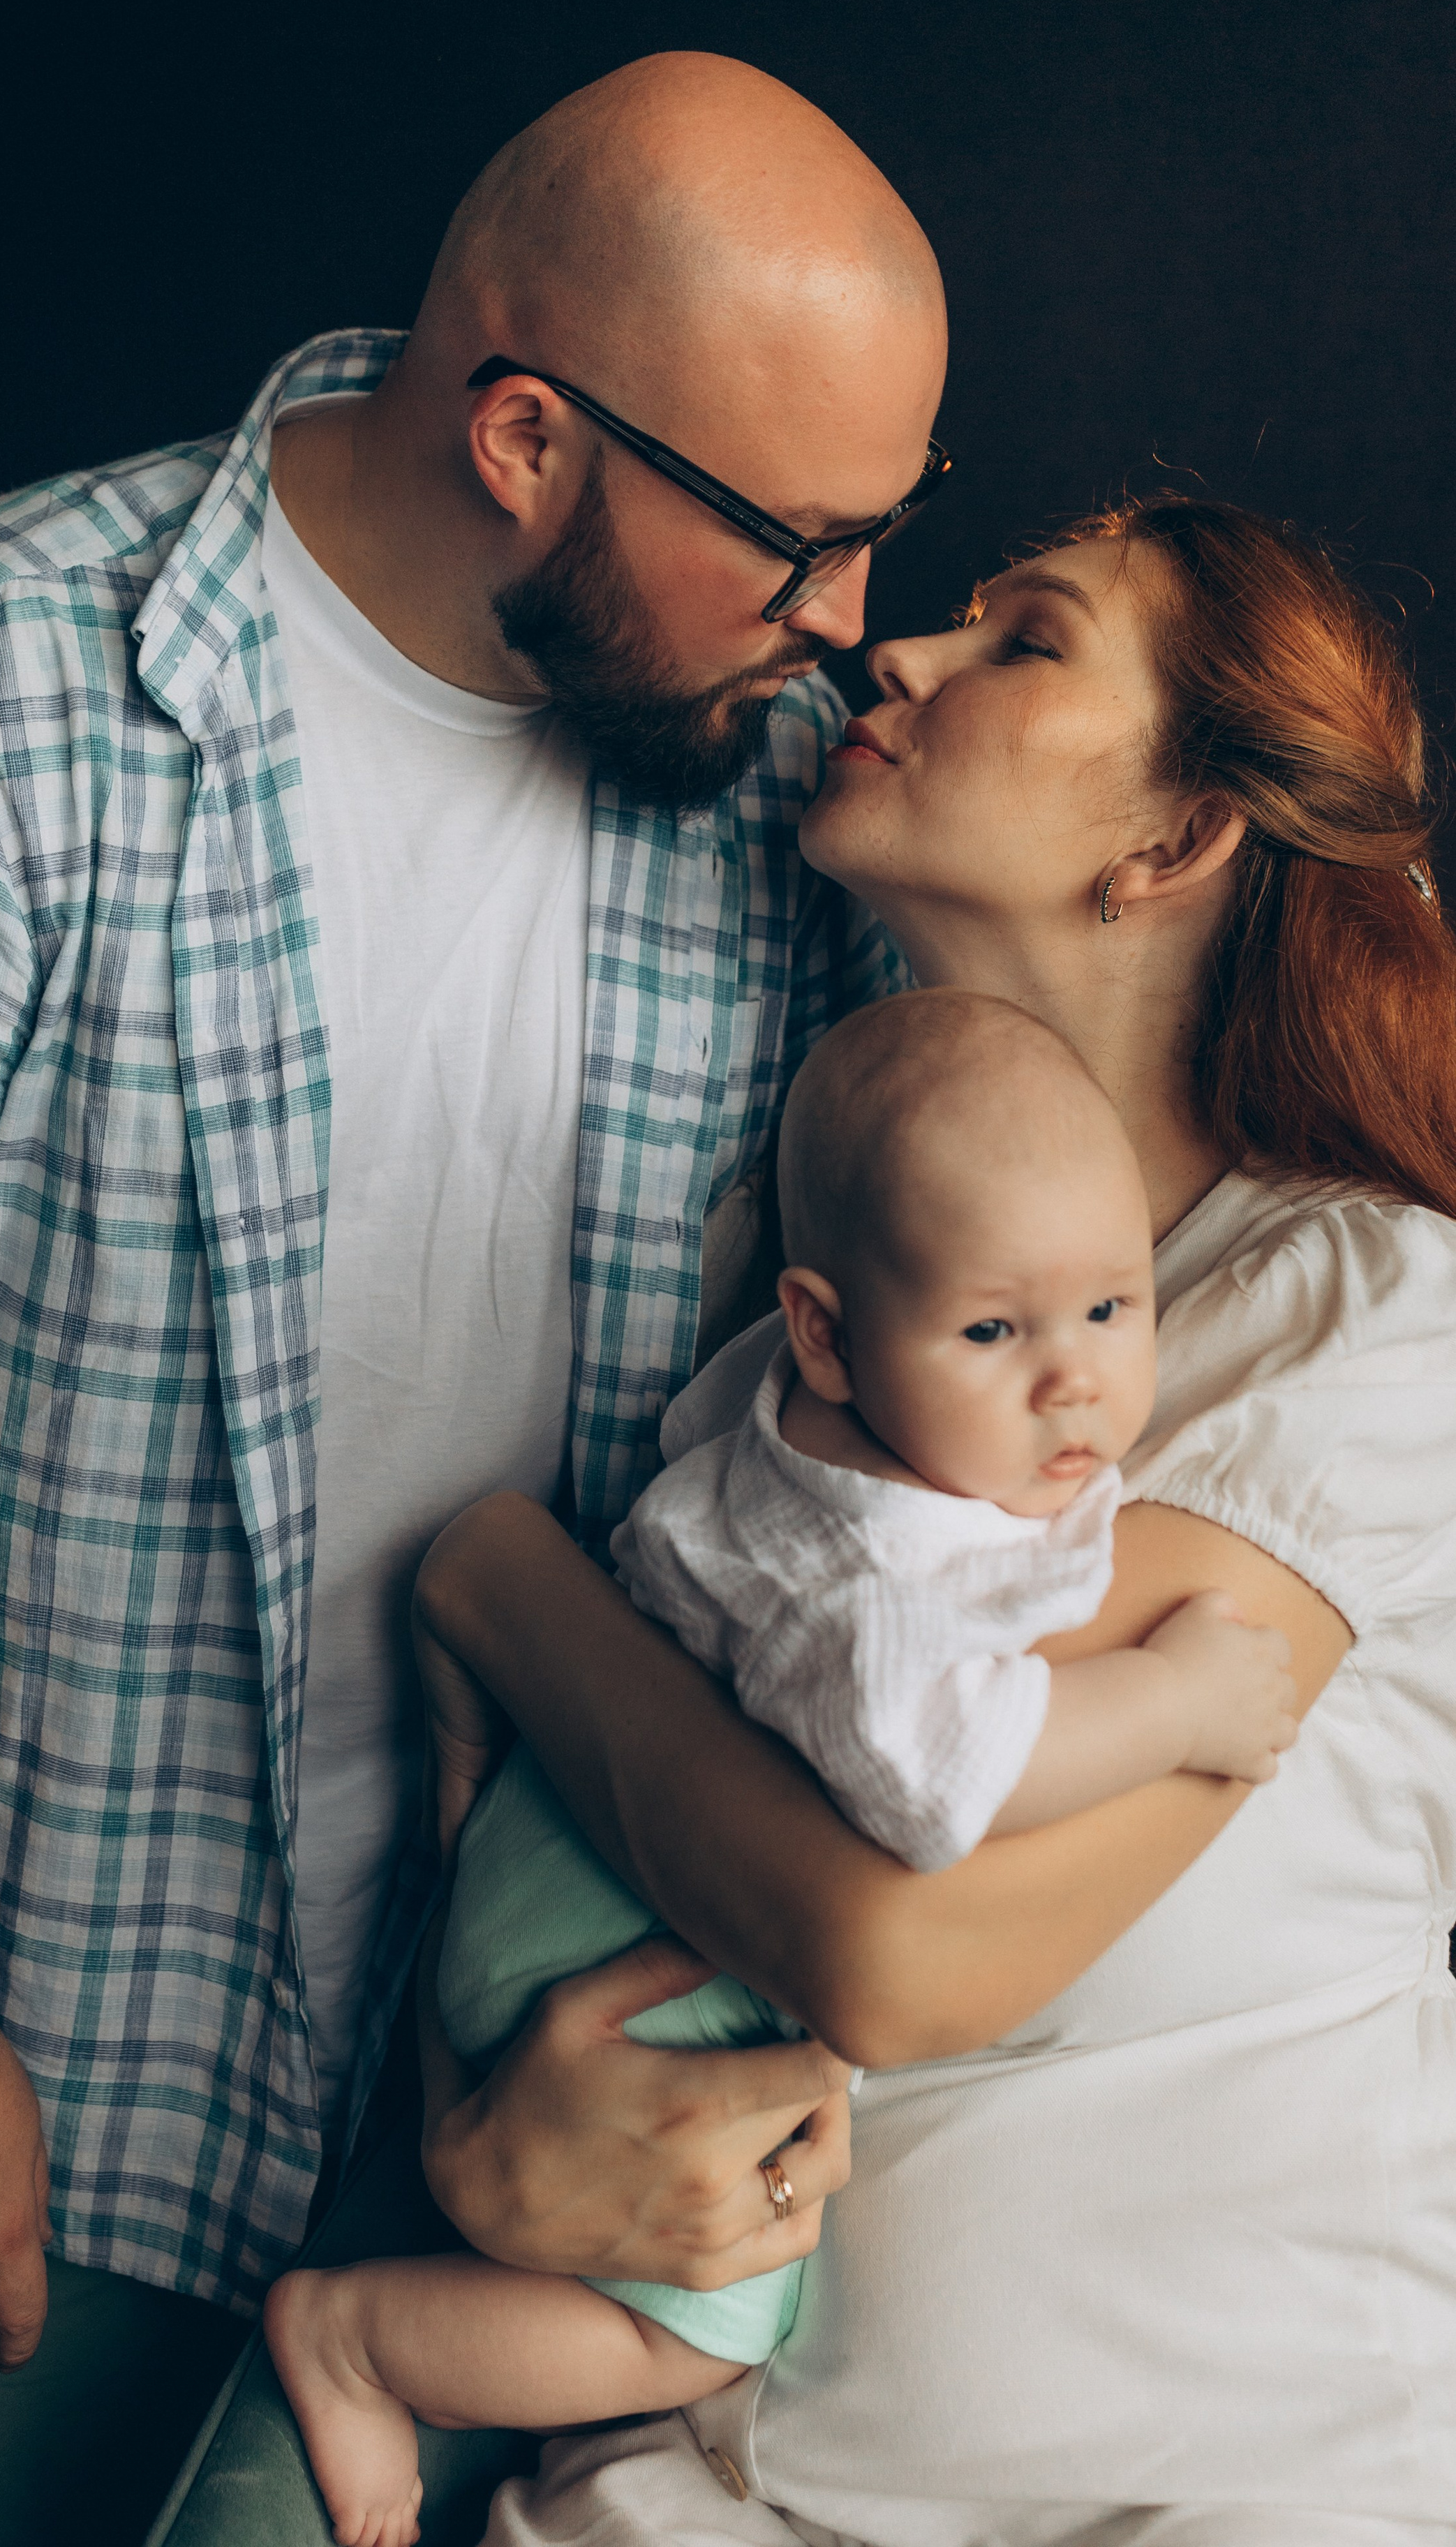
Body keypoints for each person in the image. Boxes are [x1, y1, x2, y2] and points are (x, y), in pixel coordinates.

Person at [0, 53, 949, 2545]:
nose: (848, 627)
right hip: (47, 2086)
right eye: (799, 542)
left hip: (561, 2124)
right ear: (522, 438)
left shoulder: (789, 789)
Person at [405, 498, 1456, 2547]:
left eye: (1023, 643)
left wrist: (507, 1585)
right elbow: (572, 1917)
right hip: (683, 2487)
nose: (898, 661)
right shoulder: (784, 1337)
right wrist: (480, 2147)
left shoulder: (1360, 1314)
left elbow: (897, 1944)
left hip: (1218, 2495)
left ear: (1171, 843)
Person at [263, 991, 1297, 2547]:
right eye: (992, 1332)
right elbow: (941, 1778)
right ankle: (357, 2340)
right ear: (821, 1326)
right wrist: (1173, 1701)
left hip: (560, 1850)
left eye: (1111, 1309)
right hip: (606, 1937)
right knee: (692, 2332)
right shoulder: (883, 1569)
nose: (1071, 1383)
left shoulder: (811, 1409)